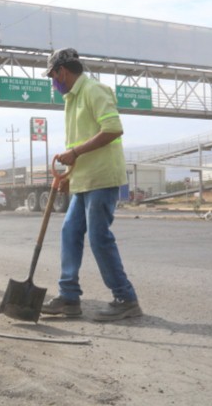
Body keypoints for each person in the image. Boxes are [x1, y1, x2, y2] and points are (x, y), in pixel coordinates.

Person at [41, 48, 142, 321]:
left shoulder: (94, 90)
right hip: (84, 179)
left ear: (62, 71)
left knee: (99, 237)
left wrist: (74, 155)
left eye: (52, 76)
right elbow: (78, 142)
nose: (53, 83)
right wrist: (69, 176)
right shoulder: (71, 99)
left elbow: (112, 129)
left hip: (102, 177)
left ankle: (126, 298)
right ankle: (69, 297)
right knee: (70, 232)